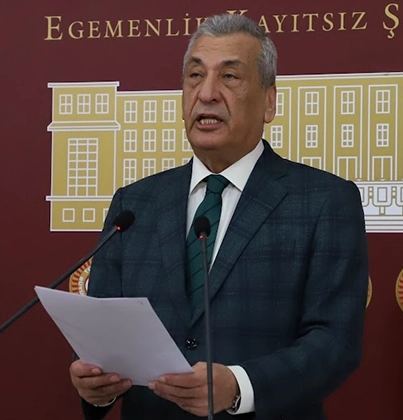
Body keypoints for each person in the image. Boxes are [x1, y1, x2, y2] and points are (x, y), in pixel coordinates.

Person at [69, 13, 369, 420]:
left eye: (229, 77)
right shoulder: (134, 204)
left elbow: (334, 343)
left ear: (269, 101)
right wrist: (96, 386)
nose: (206, 93)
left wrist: (239, 387)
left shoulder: (323, 201)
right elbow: (103, 335)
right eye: (195, 76)